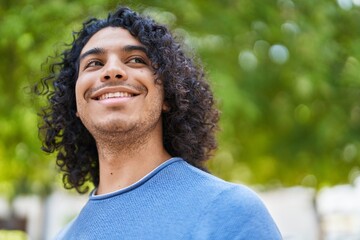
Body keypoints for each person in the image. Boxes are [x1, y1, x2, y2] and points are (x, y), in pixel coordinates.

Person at [35, 6, 282, 239]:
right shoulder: (64, 235)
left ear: (169, 95)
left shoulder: (230, 212)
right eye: (94, 63)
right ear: (75, 104)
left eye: (135, 60)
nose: (111, 71)